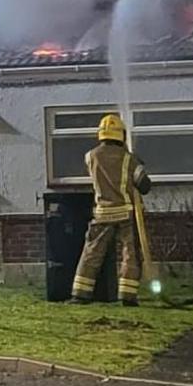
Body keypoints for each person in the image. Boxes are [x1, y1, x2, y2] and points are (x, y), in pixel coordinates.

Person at [69, 113, 151, 306]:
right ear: (120, 135)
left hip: (102, 213)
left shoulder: (90, 156)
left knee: (92, 252)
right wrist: (138, 164)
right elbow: (145, 186)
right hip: (126, 212)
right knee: (130, 253)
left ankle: (80, 294)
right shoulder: (128, 159)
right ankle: (127, 296)